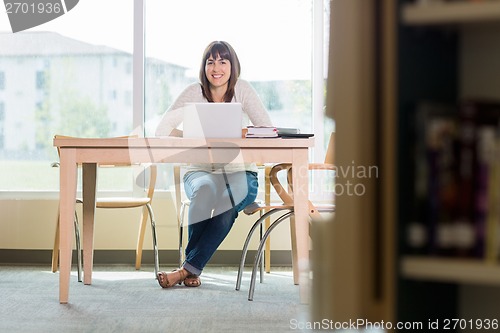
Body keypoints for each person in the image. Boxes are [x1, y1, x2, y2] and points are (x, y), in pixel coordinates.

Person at [155, 41, 273, 288]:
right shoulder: (192, 93)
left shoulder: (243, 90)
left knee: (225, 205)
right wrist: (191, 138)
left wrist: (242, 132)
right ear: (204, 66)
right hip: (199, 170)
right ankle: (191, 270)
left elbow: (266, 129)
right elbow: (162, 129)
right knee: (206, 190)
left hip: (241, 172)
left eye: (222, 61)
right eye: (211, 61)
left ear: (232, 66)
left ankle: (185, 270)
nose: (216, 67)